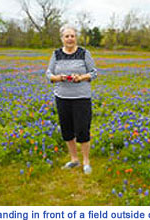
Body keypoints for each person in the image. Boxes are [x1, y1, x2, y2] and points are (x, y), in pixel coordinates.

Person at [46, 24, 97, 174]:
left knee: (82, 129)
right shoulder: (56, 54)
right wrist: (58, 78)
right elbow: (49, 73)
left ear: (76, 38)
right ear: (62, 38)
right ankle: (74, 159)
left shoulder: (84, 53)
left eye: (72, 36)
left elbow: (94, 72)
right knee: (67, 130)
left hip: (81, 97)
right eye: (67, 36)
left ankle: (86, 161)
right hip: (62, 97)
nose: (70, 39)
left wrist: (81, 77)